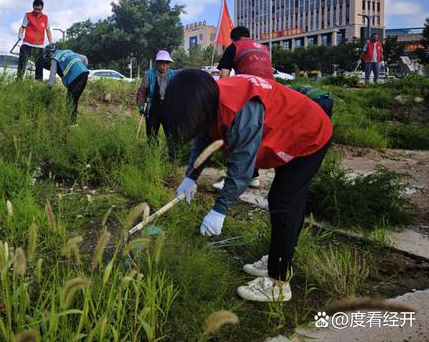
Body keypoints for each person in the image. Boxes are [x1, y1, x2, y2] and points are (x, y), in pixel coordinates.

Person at [168, 70, 332, 302]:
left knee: (284, 200)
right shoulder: (210, 98)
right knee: (286, 201)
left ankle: (278, 282)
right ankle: (278, 258)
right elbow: (204, 141)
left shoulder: (239, 112)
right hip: (287, 129)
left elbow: (241, 171)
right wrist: (191, 176)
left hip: (308, 132)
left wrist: (219, 210)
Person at [218, 26, 273, 186]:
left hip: (249, 93)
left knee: (238, 132)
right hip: (270, 93)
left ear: (234, 39)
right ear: (249, 36)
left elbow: (224, 77)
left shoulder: (234, 47)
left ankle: (234, 177)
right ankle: (254, 176)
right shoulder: (264, 48)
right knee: (257, 134)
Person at [136, 50, 177, 157]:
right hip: (153, 108)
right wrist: (141, 105)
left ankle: (172, 157)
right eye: (162, 63)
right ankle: (154, 156)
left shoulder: (172, 74)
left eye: (167, 63)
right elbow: (142, 91)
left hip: (168, 108)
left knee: (171, 134)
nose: (164, 66)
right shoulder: (149, 74)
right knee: (152, 134)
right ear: (157, 63)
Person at [43, 44, 89, 124]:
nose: (49, 57)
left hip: (75, 78)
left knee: (70, 100)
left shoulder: (54, 58)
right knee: (74, 99)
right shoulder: (68, 51)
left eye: (48, 55)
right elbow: (84, 58)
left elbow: (53, 74)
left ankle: (71, 122)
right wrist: (81, 68)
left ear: (50, 52)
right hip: (84, 74)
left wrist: (49, 87)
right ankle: (72, 121)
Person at [17, 0, 53, 80]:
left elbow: (48, 31)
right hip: (27, 44)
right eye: (35, 9)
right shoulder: (28, 15)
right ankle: (19, 81)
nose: (37, 11)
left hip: (39, 46)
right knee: (22, 64)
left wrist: (51, 42)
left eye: (39, 9)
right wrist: (20, 34)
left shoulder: (45, 18)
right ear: (33, 7)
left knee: (39, 66)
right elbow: (23, 27)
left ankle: (38, 83)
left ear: (42, 8)